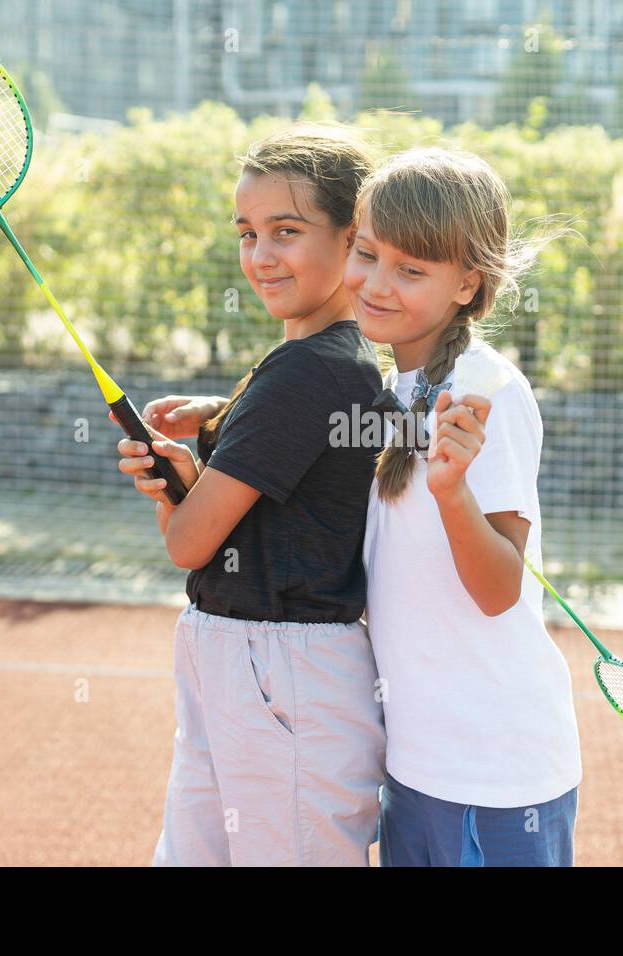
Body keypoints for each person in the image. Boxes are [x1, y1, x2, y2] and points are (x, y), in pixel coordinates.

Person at [114, 124, 386, 866]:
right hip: (250, 663)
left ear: (353, 237)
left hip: (279, 670)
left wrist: (177, 486)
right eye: (247, 233)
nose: (260, 257)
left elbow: (190, 543)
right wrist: (220, 417)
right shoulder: (325, 362)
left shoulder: (307, 374)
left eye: (286, 232)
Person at [346, 146, 584, 866]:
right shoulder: (396, 388)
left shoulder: (489, 390)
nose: (377, 284)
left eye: (411, 269)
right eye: (366, 253)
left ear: (467, 283)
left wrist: (451, 494)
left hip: (497, 779)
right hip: (416, 767)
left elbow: (497, 588)